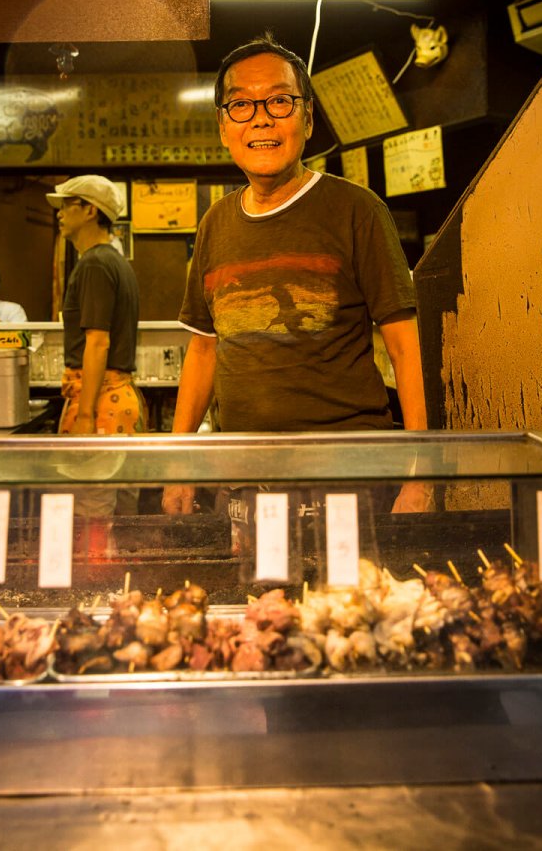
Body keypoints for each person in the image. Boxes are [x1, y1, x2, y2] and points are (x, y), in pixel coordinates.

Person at [163, 34, 430, 515]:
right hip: (244, 476)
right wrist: (179, 464)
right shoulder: (215, 224)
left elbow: (405, 346)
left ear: (307, 117)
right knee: (257, 594)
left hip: (348, 474)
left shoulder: (357, 210)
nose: (261, 117)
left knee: (349, 594)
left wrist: (420, 473)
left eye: (279, 101)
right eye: (241, 105)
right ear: (224, 128)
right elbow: (203, 350)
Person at [46, 176, 147, 534]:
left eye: (67, 204)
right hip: (119, 402)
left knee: (90, 521)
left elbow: (98, 342)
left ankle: (96, 589)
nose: (59, 213)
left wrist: (85, 416)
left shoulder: (94, 264)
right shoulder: (115, 262)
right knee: (119, 521)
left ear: (90, 210)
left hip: (99, 405)